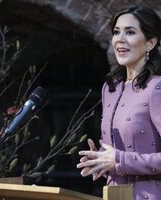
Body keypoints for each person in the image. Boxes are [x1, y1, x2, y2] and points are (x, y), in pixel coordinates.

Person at [76, 4, 161, 200]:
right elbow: (117, 159)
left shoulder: (156, 88)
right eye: (116, 32)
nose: (120, 39)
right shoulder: (111, 88)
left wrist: (119, 160)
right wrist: (101, 161)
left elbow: (121, 160)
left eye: (130, 32)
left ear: (150, 43)